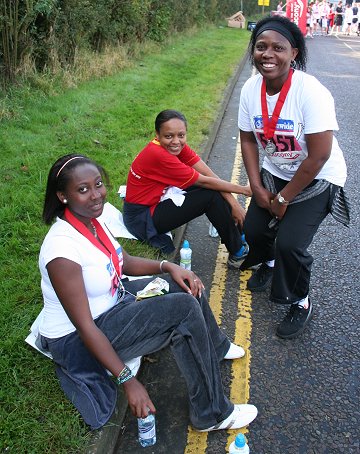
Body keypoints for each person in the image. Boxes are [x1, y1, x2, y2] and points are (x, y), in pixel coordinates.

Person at [36, 153, 258, 431]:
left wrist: (168, 266)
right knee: (183, 310)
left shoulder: (90, 220)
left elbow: (123, 261)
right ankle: (212, 414)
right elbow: (84, 327)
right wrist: (127, 381)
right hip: (81, 340)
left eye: (98, 184)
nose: (96, 195)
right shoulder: (61, 252)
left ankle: (215, 345)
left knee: (183, 283)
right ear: (62, 196)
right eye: (83, 189)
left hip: (112, 307)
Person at [237, 15, 349, 339]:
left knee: (290, 243)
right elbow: (247, 139)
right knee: (254, 228)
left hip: (317, 177)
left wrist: (284, 199)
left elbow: (319, 155)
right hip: (275, 172)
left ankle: (300, 301)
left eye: (278, 48)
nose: (267, 54)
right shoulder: (250, 89)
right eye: (261, 47)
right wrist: (257, 187)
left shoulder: (311, 92)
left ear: (294, 53)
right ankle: (268, 264)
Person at [123, 109, 252, 269]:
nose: (176, 141)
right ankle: (238, 253)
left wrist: (234, 204)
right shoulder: (158, 154)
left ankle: (241, 235)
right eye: (168, 136)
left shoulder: (173, 146)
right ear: (157, 134)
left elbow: (208, 174)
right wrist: (244, 190)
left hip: (155, 201)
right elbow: (205, 182)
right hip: (142, 218)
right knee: (210, 196)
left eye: (181, 135)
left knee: (213, 190)